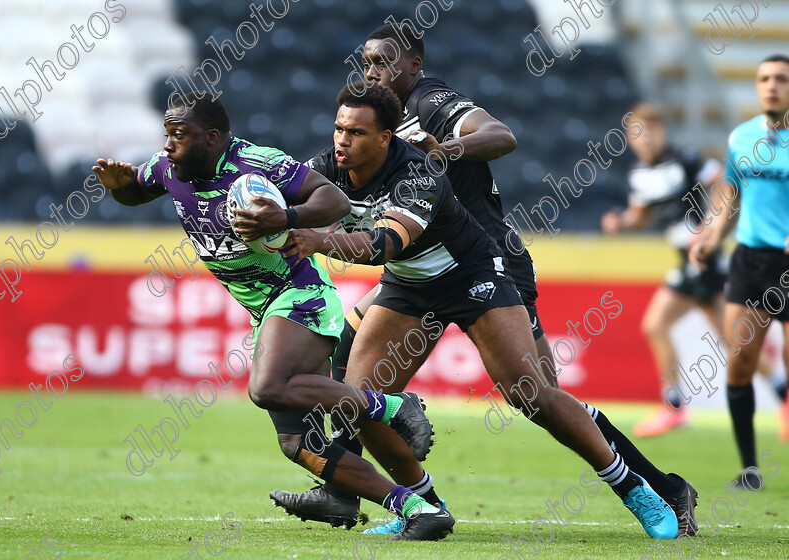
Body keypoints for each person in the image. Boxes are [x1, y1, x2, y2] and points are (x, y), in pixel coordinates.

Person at [272, 24, 697, 539]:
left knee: (535, 395)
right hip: (413, 271)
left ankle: (655, 490)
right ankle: (402, 502)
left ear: (413, 67)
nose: (372, 72)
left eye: (383, 62)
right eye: (366, 64)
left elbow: (502, 136)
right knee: (357, 380)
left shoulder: (431, 103)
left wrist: (443, 151)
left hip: (484, 257)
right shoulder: (356, 138)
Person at [92, 93, 453, 541]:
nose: (168, 146)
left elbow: (334, 199)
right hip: (265, 309)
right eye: (167, 135)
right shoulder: (169, 167)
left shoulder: (257, 163)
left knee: (266, 387)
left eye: (178, 136)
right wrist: (119, 186)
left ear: (212, 137)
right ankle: (418, 508)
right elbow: (135, 192)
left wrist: (285, 216)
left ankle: (395, 406)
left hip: (299, 293)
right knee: (298, 444)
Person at [602, 103, 786, 438]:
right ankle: (781, 392)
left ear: (662, 132)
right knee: (726, 339)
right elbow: (639, 215)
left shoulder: (685, 159)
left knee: (667, 326)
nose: (644, 141)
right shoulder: (639, 173)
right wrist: (621, 222)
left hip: (703, 259)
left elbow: (724, 184)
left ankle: (675, 407)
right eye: (636, 135)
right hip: (684, 260)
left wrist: (710, 226)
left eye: (650, 132)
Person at [690, 54, 789, 486]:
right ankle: (750, 469)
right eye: (765, 78)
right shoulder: (742, 136)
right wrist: (711, 235)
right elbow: (728, 195)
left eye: (782, 79)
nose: (772, 86)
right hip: (750, 261)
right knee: (740, 363)